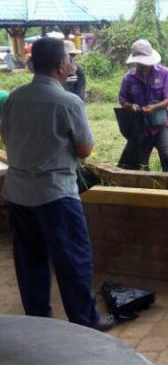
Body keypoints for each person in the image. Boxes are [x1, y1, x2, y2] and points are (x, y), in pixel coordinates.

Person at [0, 37, 115, 331]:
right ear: (62, 65)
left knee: (30, 261)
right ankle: (84, 320)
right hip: (55, 195)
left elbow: (6, 137)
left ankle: (40, 322)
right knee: (73, 259)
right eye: (69, 59)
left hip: (18, 193)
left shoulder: (14, 98)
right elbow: (85, 149)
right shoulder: (68, 101)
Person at [117, 39, 168, 172]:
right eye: (139, 62)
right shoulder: (128, 78)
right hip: (139, 126)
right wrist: (131, 106)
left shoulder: (164, 73)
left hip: (160, 125)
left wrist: (155, 107)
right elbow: (122, 100)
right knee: (134, 163)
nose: (142, 65)